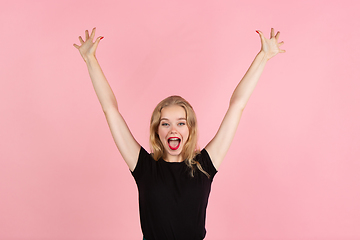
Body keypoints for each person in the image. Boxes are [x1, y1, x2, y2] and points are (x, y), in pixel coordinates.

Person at [74, 27, 285, 240]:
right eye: (165, 124)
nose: (173, 129)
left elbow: (237, 105)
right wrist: (90, 59)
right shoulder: (145, 168)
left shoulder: (204, 166)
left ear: (190, 129)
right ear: (157, 131)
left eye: (181, 123)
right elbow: (110, 109)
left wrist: (263, 56)